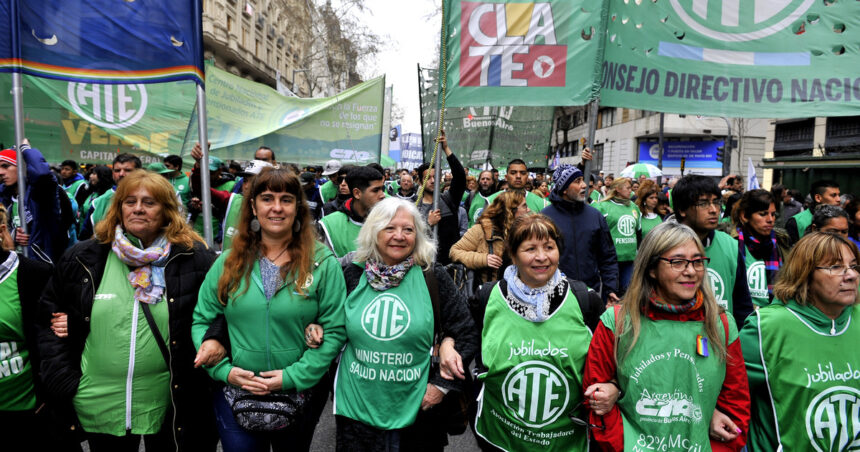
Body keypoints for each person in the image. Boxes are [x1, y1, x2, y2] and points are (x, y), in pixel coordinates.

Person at [38, 170, 225, 451]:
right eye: (129, 201)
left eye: (149, 202)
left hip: (169, 403)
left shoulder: (195, 258)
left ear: (167, 211)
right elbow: (48, 320)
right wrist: (66, 383)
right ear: (118, 208)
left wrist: (216, 337)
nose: (138, 208)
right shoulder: (84, 257)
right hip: (97, 400)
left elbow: (223, 311)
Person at [192, 167, 345, 452]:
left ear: (298, 207)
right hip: (236, 391)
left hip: (300, 393)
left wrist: (293, 377)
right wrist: (224, 371)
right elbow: (203, 318)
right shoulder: (227, 262)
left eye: (286, 199)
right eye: (267, 198)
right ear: (253, 206)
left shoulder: (323, 263)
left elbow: (335, 329)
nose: (277, 207)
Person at [583, 222, 750, 452]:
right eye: (678, 262)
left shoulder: (720, 323)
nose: (691, 271)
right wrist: (624, 446)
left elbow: (736, 403)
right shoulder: (619, 322)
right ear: (652, 268)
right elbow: (596, 399)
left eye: (697, 261)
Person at [331, 197, 478, 451]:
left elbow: (466, 332)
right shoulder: (352, 275)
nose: (399, 236)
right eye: (389, 228)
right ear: (373, 232)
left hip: (419, 411)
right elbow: (331, 326)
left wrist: (441, 386)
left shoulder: (432, 276)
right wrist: (315, 328)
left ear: (418, 235)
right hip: (357, 411)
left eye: (408, 229)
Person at [472, 214, 611, 451]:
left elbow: (610, 361)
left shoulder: (584, 300)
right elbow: (471, 347)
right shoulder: (487, 297)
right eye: (530, 249)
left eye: (549, 247)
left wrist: (612, 388)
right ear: (513, 255)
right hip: (502, 436)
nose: (542, 257)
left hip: (566, 439)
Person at [740, 232, 859, 451]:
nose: (851, 275)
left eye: (854, 266)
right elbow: (725, 391)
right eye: (835, 267)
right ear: (805, 273)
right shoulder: (767, 326)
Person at [0, 205, 80, 451]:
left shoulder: (32, 275)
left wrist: (53, 393)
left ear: (1, 230)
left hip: (28, 411)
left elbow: (59, 339)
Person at [672, 175, 753, 325]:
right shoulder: (662, 246)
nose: (714, 210)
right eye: (703, 204)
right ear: (682, 209)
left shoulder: (731, 245)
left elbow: (742, 305)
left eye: (716, 202)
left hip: (722, 340)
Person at [542, 164, 620, 303]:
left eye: (582, 180)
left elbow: (607, 256)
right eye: (577, 181)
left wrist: (611, 288)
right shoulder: (545, 218)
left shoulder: (595, 216)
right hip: (555, 296)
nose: (584, 185)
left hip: (590, 294)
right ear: (564, 189)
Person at [0, 141, 72, 263]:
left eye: (6, 166)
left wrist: (26, 150)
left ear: (22, 167)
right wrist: (12, 235)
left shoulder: (40, 194)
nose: (1, 172)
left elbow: (41, 173)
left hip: (41, 265)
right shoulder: (4, 197)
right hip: (14, 266)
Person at [449, 191, 529, 285]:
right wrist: (483, 259)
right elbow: (454, 252)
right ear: (511, 210)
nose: (528, 210)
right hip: (488, 291)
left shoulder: (524, 232)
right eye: (524, 206)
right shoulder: (481, 230)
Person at [731, 189, 789, 308]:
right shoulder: (731, 244)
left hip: (773, 316)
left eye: (773, 214)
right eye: (763, 214)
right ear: (744, 216)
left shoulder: (781, 243)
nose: (770, 219)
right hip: (741, 317)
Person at [415, 131, 466, 265]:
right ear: (420, 182)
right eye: (427, 178)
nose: (432, 181)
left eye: (435, 177)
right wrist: (428, 224)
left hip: (448, 265)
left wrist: (446, 149)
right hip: (423, 264)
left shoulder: (448, 200)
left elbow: (460, 176)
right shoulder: (413, 206)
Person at [318, 166, 386, 258]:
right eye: (376, 190)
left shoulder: (391, 219)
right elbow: (323, 265)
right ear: (357, 193)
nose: (383, 195)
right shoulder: (329, 224)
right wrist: (354, 259)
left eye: (383, 189)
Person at [594, 177, 641, 294]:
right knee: (610, 292)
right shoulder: (602, 206)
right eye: (628, 188)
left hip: (629, 259)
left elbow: (638, 232)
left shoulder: (634, 207)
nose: (631, 191)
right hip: (611, 260)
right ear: (617, 189)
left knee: (626, 293)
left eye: (631, 188)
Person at [79, 153, 142, 240]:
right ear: (112, 173)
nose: (121, 174)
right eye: (117, 170)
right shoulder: (99, 202)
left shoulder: (152, 197)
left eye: (127, 170)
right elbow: (85, 237)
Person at [469, 159, 548, 228]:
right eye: (513, 173)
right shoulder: (491, 201)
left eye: (522, 173)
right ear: (506, 177)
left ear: (527, 177)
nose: (518, 176)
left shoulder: (542, 203)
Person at [786, 180, 841, 245]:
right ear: (818, 198)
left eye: (838, 195)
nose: (839, 199)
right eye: (833, 195)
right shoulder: (796, 222)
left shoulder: (841, 219)